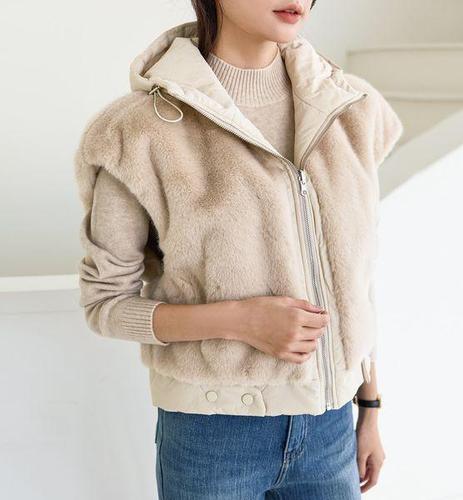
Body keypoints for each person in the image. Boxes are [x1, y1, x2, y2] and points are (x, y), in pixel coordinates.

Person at [74, 0, 403, 498]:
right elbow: (105, 304)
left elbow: (356, 281)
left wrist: (369, 406)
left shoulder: (352, 110)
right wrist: (239, 321)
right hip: (213, 436)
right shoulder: (136, 133)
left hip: (332, 428)